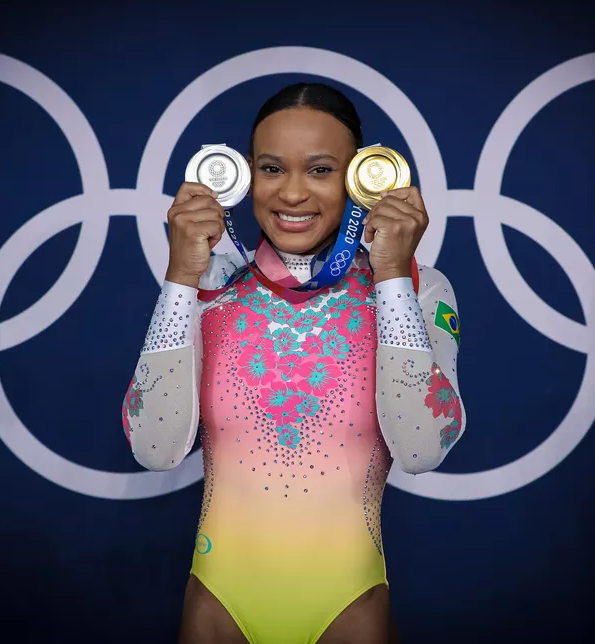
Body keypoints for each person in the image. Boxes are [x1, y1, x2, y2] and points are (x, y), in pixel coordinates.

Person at [122, 82, 467, 644]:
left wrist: (393, 277)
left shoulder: (420, 289)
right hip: (217, 610)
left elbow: (423, 448)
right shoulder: (210, 287)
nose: (293, 194)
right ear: (244, 175)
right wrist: (182, 277)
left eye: (322, 170)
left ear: (362, 177)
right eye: (273, 168)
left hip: (350, 612)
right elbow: (153, 449)